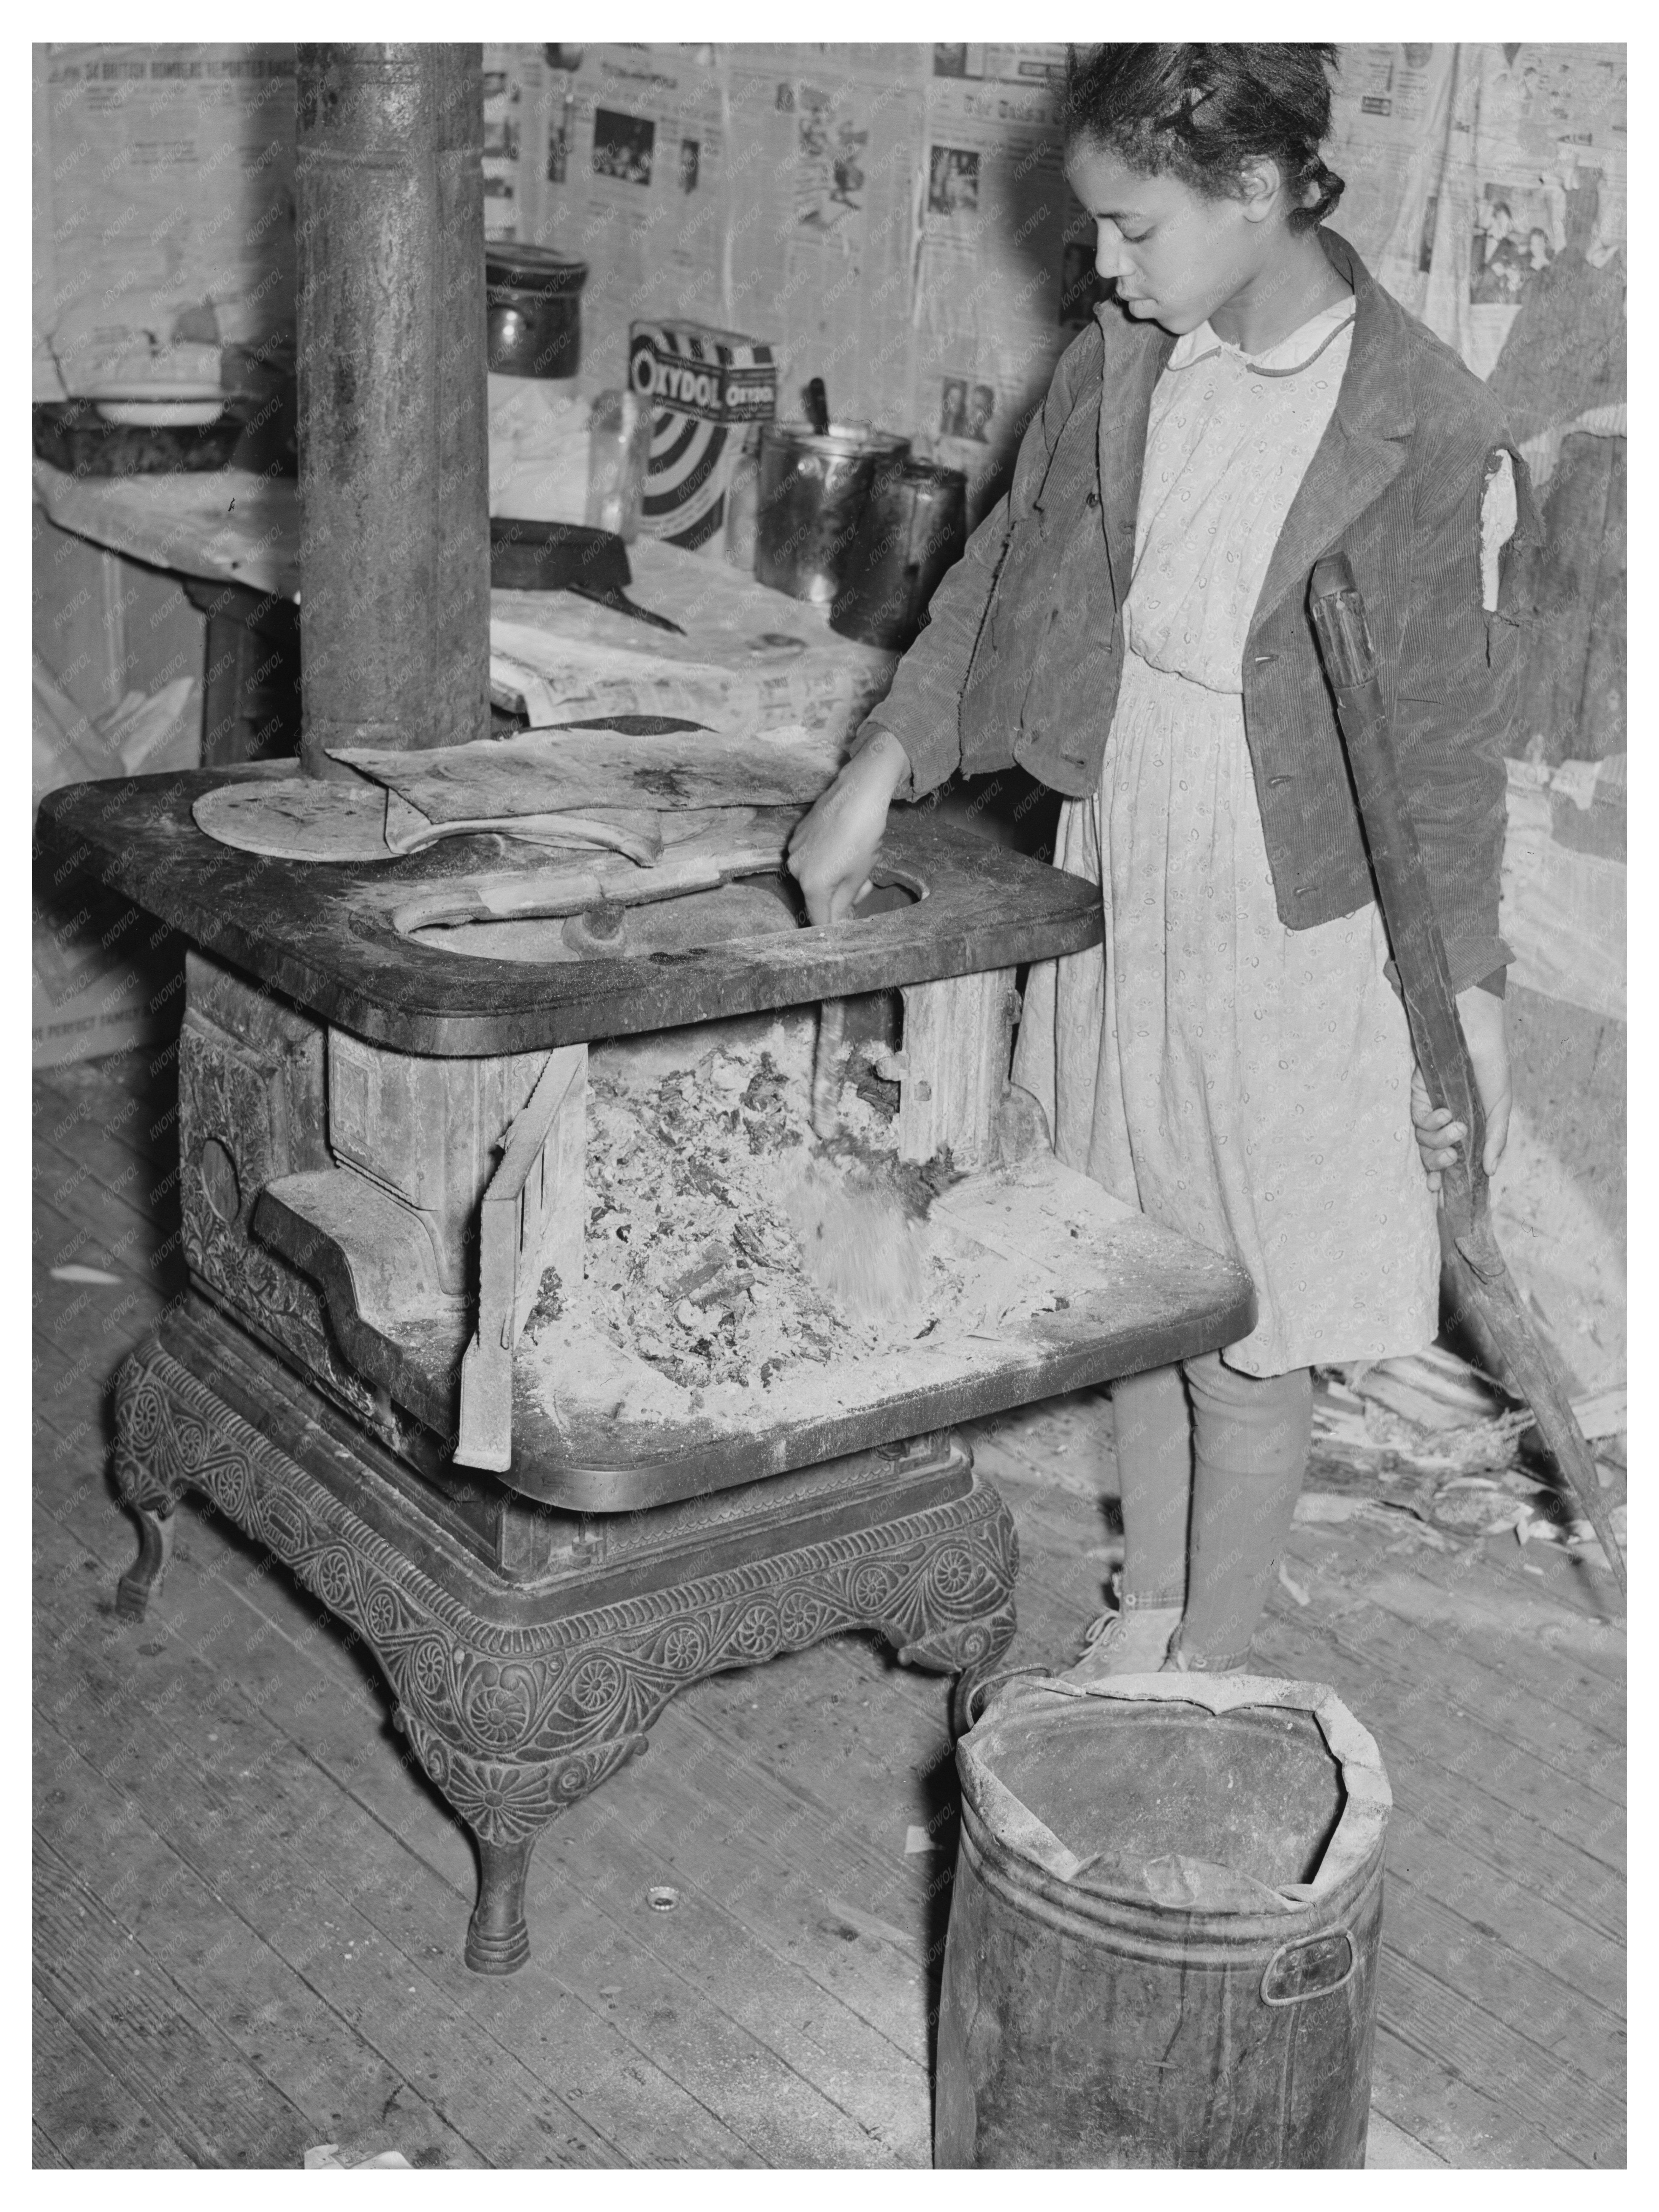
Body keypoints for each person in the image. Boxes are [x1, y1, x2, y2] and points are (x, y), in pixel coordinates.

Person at [788, 44, 1537, 1679]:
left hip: (1286, 898)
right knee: (1128, 1259)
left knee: (1242, 1322)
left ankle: (1210, 1658)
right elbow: (998, 568)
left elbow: (1444, 746)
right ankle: (1146, 1603)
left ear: (1260, 194)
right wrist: (883, 762)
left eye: (1135, 228)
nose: (1105, 269)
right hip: (1125, 834)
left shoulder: (1411, 416)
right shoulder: (1132, 355)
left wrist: (1464, 992)